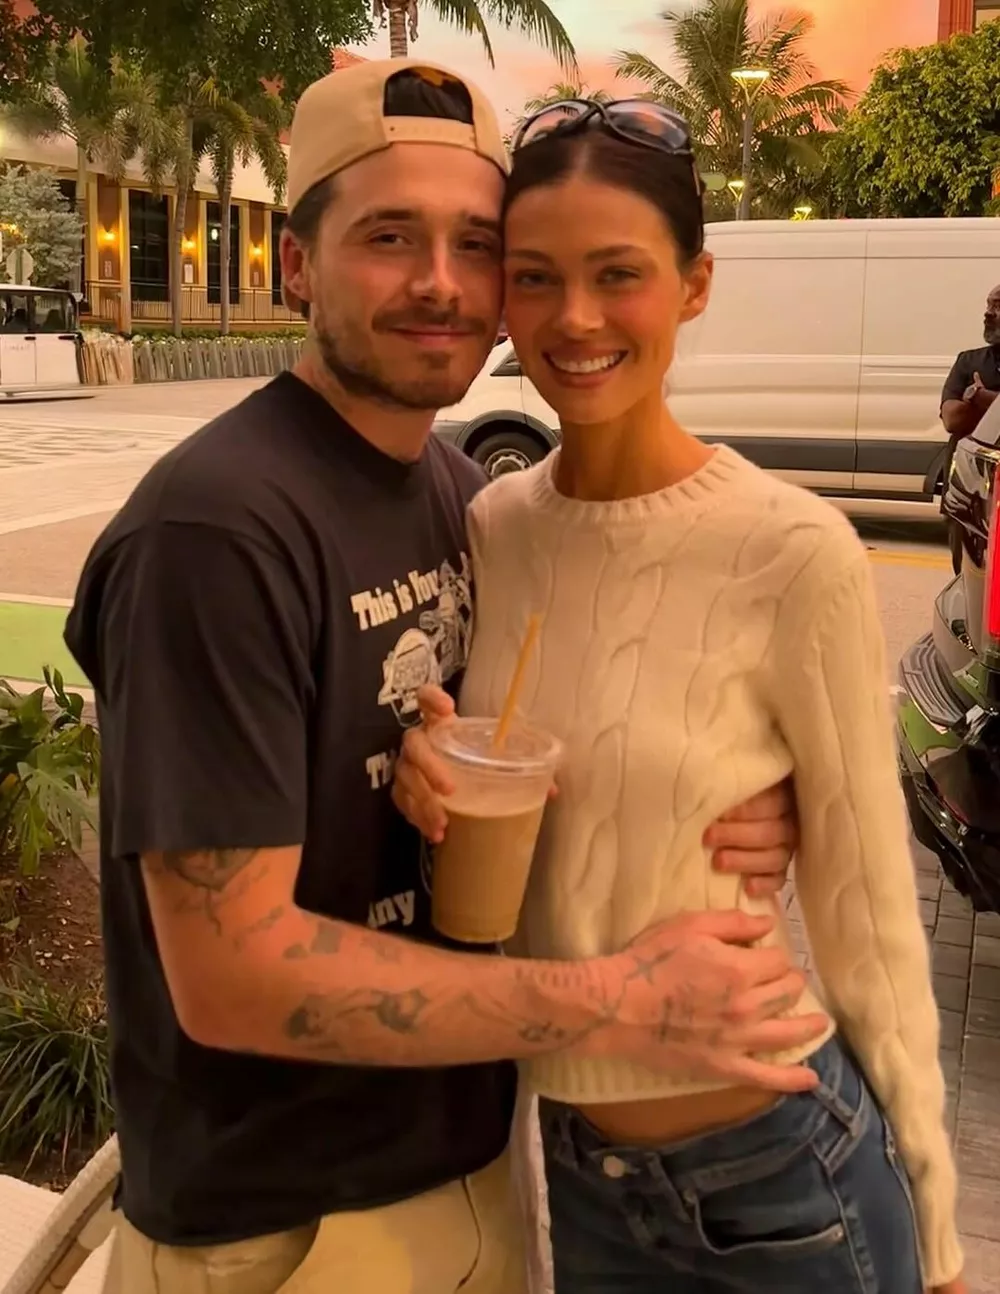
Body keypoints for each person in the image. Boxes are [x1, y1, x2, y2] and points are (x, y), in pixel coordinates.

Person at [63, 63, 820, 1294]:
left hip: (469, 1177)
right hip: (287, 1237)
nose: (441, 283)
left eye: (477, 244)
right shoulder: (216, 531)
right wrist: (618, 1001)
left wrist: (740, 795)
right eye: (388, 237)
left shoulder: (467, 498)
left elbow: (545, 750)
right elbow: (231, 975)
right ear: (296, 264)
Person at [392, 98, 964, 1294]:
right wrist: (424, 773)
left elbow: (867, 917)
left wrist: (941, 1229)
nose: (575, 318)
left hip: (784, 1181)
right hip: (577, 1182)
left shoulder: (793, 550)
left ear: (694, 286)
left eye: (619, 274)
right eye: (537, 277)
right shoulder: (490, 527)